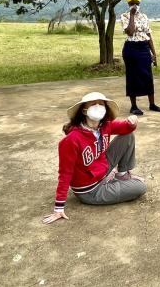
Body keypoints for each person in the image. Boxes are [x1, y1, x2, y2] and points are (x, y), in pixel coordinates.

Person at [43, 92, 147, 224]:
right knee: (140, 187)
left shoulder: (104, 126)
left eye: (101, 104)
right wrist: (59, 207)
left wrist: (132, 121)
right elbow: (65, 173)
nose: (98, 107)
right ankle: (112, 181)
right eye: (93, 104)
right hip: (91, 190)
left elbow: (125, 128)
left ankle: (121, 175)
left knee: (128, 135)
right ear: (84, 110)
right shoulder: (71, 140)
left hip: (102, 171)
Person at [120, 0, 160, 115]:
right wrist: (132, 15)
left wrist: (154, 53)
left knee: (148, 76)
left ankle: (152, 104)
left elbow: (149, 35)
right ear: (128, 4)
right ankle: (133, 106)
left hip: (144, 47)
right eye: (132, 3)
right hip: (131, 49)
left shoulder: (144, 16)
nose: (135, 5)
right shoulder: (124, 16)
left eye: (137, 3)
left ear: (140, 4)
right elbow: (130, 32)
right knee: (132, 76)